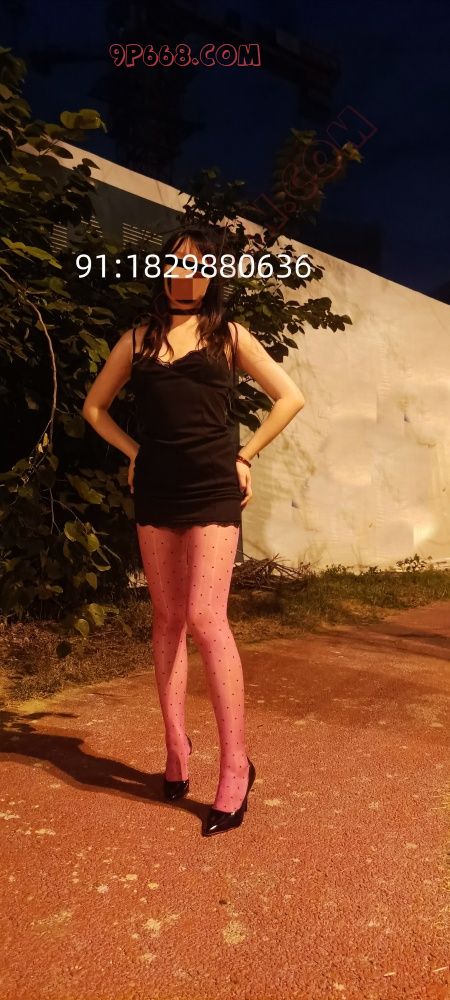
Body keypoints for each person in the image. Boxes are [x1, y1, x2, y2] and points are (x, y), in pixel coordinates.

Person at [81, 225, 305, 836]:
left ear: (213, 278)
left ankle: (235, 765)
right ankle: (176, 746)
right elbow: (94, 408)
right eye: (176, 264)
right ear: (162, 272)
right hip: (156, 489)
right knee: (167, 618)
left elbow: (290, 396)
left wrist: (246, 455)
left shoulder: (228, 335)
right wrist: (134, 452)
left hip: (212, 487)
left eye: (199, 266)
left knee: (207, 617)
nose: (186, 274)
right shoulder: (137, 340)